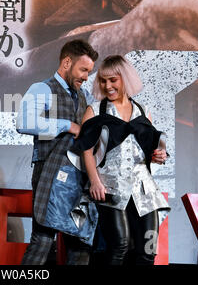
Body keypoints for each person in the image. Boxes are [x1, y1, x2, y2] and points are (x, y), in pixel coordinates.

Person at [75, 55, 170, 265]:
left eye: (113, 80)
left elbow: (149, 152)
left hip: (144, 191)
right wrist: (95, 181)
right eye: (103, 80)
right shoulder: (95, 110)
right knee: (120, 246)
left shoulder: (143, 111)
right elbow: (86, 150)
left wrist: (158, 156)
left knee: (148, 249)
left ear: (125, 78)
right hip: (110, 188)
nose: (107, 85)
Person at [16, 39, 99, 265]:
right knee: (43, 239)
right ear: (66, 62)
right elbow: (24, 122)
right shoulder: (42, 88)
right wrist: (67, 125)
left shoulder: (85, 97)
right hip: (49, 172)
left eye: (89, 72)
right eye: (83, 70)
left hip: (78, 175)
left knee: (80, 242)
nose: (85, 76)